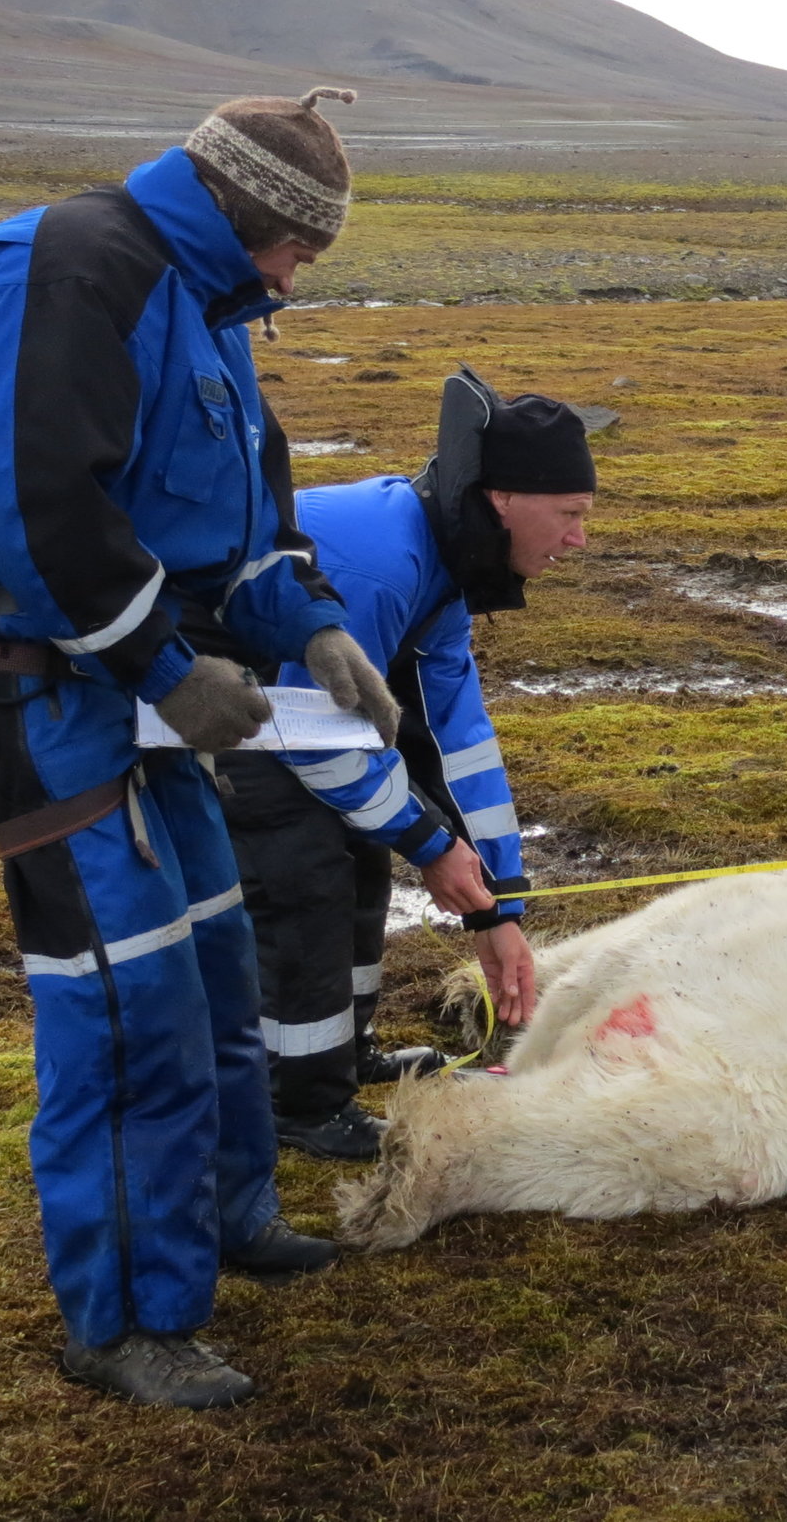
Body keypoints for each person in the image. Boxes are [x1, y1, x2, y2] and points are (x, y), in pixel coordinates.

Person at [0, 87, 400, 1408]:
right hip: (50, 702)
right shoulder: (85, 265)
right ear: (246, 210)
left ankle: (227, 1217)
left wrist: (314, 628)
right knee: (129, 1012)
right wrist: (170, 670)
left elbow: (229, 518)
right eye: (300, 248)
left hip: (138, 695)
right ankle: (124, 1318)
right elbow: (31, 499)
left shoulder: (205, 301)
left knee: (216, 963)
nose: (297, 278)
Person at [213, 369, 589, 1158]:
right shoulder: (382, 565)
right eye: (570, 514)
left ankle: (343, 1056)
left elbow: (459, 740)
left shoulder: (446, 565)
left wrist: (500, 901)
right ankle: (299, 1103)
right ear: (503, 500)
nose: (579, 539)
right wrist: (433, 846)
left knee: (360, 861)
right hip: (224, 710)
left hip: (287, 714)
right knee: (303, 881)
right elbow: (314, 735)